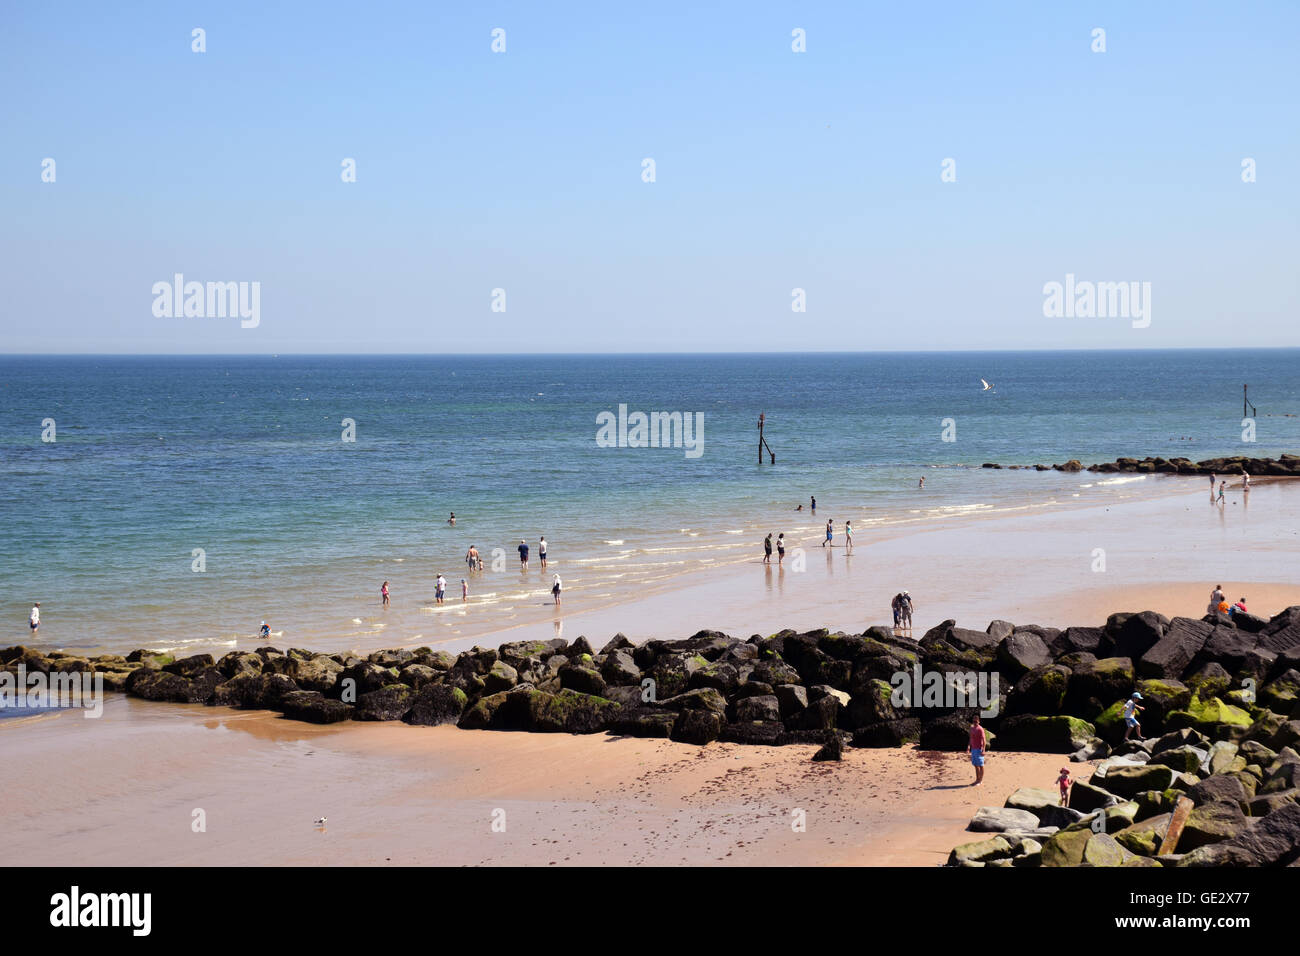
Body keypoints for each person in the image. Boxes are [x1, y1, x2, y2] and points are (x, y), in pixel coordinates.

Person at [967, 714, 988, 785]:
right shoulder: (971, 728)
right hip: (973, 749)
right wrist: (969, 746)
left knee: (981, 765)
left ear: (979, 721)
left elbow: (984, 740)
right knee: (976, 765)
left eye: (976, 721)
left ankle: (980, 780)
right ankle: (977, 780)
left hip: (979, 749)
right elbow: (970, 738)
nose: (975, 723)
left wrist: (984, 750)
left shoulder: (980, 729)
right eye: (973, 721)